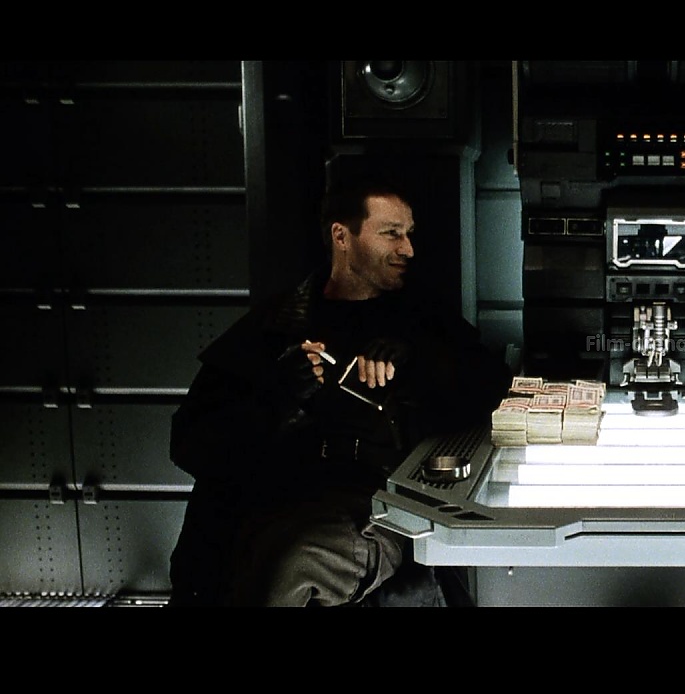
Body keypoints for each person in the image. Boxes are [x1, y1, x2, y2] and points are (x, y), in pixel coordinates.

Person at [167, 174, 510, 607]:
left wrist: (419, 360)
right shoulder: (274, 326)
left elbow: (494, 390)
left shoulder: (423, 322)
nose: (407, 249)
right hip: (267, 503)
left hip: (372, 508)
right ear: (342, 236)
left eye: (409, 234)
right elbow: (189, 445)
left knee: (296, 562)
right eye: (391, 234)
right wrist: (276, 396)